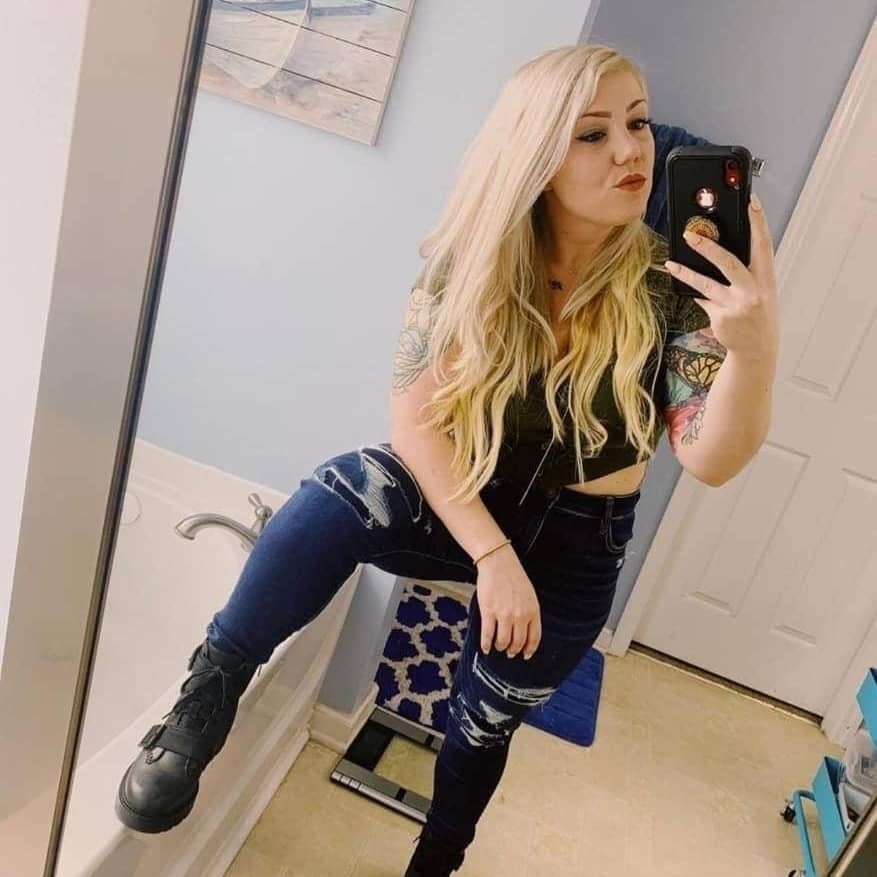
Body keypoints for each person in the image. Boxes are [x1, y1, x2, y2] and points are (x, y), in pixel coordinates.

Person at [115, 44, 779, 876]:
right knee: (338, 489)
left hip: (578, 538)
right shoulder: (475, 260)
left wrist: (753, 349)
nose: (629, 150)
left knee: (480, 721)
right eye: (592, 133)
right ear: (535, 156)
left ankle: (438, 856)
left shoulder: (670, 284)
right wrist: (491, 555)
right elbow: (414, 422)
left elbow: (708, 458)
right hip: (465, 486)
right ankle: (206, 698)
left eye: (638, 123)